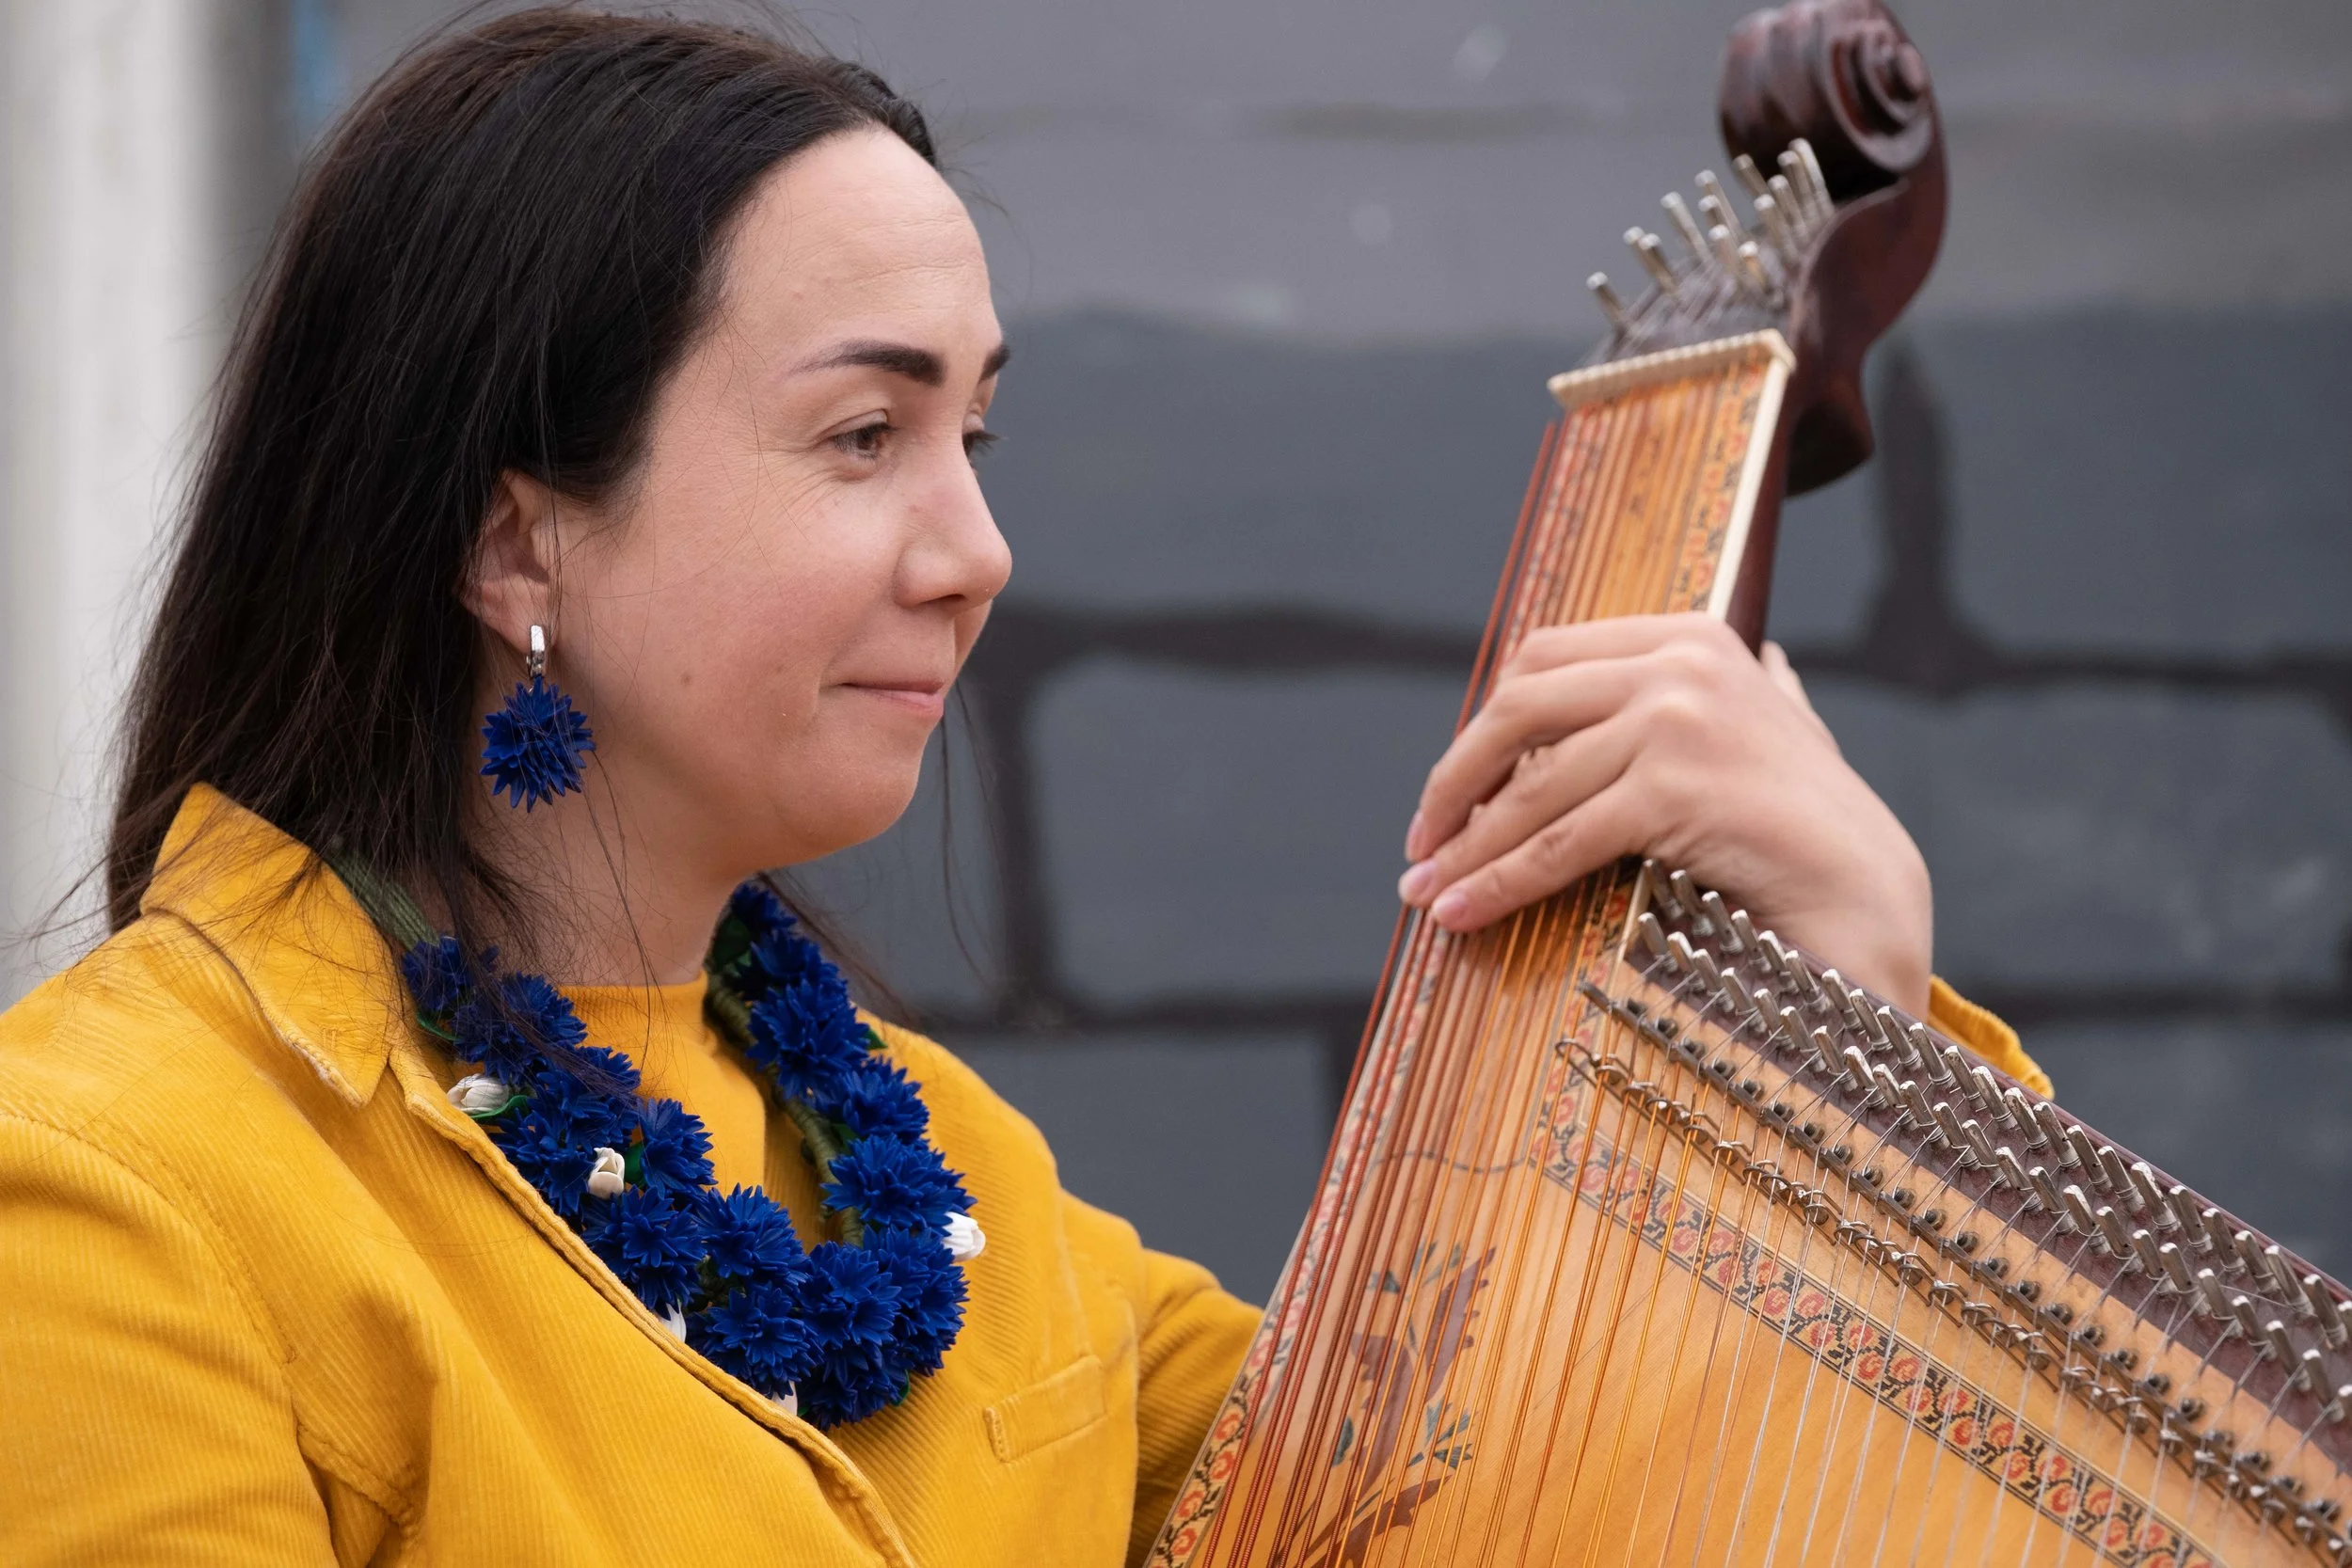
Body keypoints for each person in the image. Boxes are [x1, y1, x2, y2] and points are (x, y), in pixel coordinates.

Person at [0, 11, 2042, 1566]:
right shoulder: (113, 1193)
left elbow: (1556, 1518)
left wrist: (1846, 1018)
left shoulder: (948, 1179)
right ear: (519, 539)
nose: (974, 546)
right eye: (863, 432)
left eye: (974, 429)